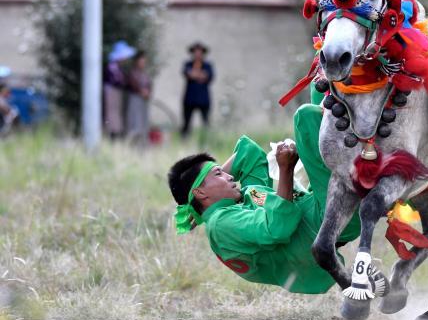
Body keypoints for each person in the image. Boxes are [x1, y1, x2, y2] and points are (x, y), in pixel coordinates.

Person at [167, 102, 386, 295]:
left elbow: (248, 152)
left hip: (323, 216)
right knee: (306, 117)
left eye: (222, 171)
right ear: (201, 192)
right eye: (219, 174)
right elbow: (277, 228)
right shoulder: (221, 224)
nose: (229, 176)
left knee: (319, 93)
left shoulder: (243, 197)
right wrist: (285, 169)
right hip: (327, 220)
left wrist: (200, 200)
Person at [104, 41, 136, 139]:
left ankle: (116, 134)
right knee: (112, 113)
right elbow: (117, 81)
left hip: (116, 93)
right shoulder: (112, 67)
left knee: (116, 113)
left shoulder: (118, 67)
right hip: (111, 92)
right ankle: (112, 134)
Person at [181, 42, 214, 136]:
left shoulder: (208, 65)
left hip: (203, 99)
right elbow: (187, 74)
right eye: (196, 52)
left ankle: (206, 139)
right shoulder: (188, 64)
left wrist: (195, 74)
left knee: (206, 122)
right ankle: (184, 140)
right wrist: (200, 75)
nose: (197, 54)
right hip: (190, 99)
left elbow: (209, 76)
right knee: (186, 123)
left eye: (199, 52)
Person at [126, 50, 152, 144]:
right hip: (135, 100)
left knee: (143, 123)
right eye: (141, 61)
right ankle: (132, 144)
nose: (143, 64)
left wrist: (148, 92)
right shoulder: (132, 73)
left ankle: (143, 146)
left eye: (144, 62)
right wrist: (141, 91)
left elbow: (149, 86)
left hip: (143, 101)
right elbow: (132, 84)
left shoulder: (145, 75)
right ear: (136, 62)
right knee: (135, 122)